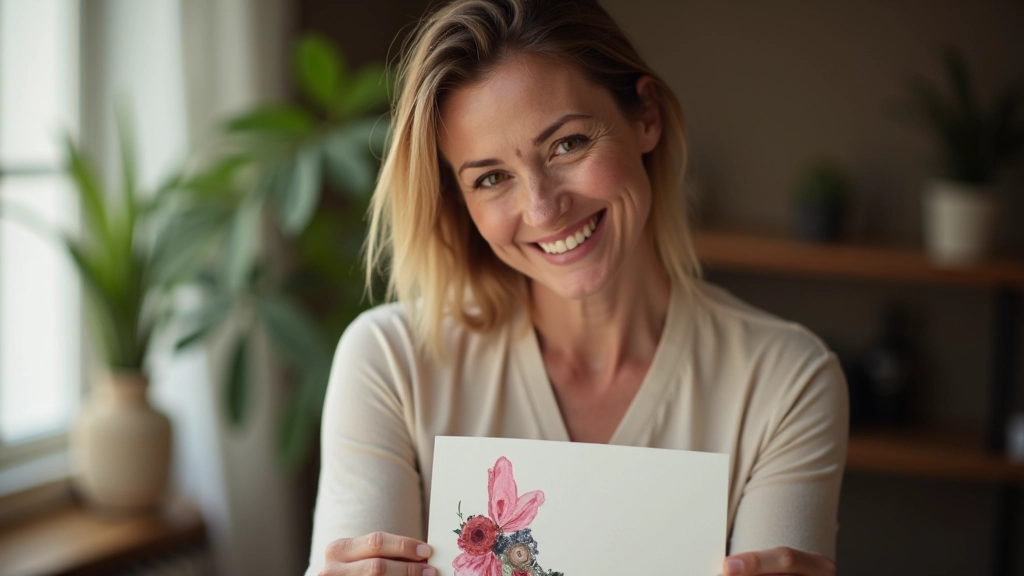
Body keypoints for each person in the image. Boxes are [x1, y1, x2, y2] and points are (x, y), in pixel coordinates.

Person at [305, 0, 847, 575]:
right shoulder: (391, 364)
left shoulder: (786, 382)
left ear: (645, 117)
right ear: (460, 203)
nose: (542, 209)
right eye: (491, 178)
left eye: (567, 144)